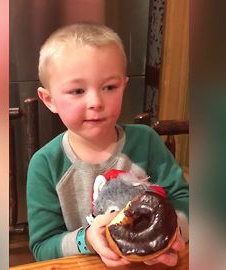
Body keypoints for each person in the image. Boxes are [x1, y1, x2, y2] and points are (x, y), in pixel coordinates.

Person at [27, 23, 189, 267]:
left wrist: (176, 229)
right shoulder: (45, 164)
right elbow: (42, 247)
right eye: (77, 90)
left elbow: (183, 198)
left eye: (109, 87)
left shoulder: (146, 142)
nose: (95, 101)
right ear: (49, 100)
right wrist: (87, 240)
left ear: (124, 85)